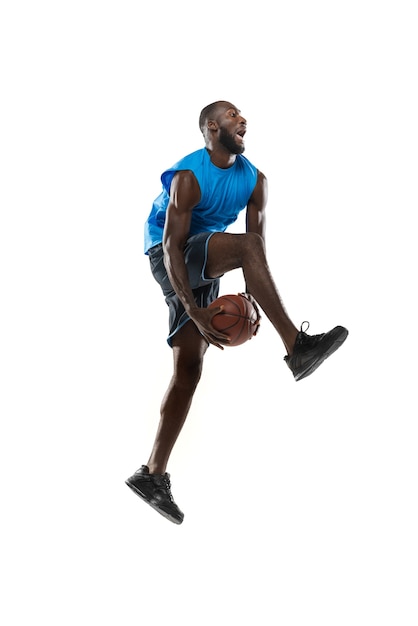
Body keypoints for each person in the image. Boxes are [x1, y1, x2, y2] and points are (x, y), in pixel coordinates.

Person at [126, 100, 348, 524]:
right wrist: (192, 308)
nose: (242, 119)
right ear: (211, 128)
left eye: (243, 116)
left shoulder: (254, 181)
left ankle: (151, 475)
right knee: (240, 249)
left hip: (204, 254)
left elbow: (255, 249)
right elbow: (173, 246)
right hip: (167, 253)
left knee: (189, 369)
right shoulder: (189, 176)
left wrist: (251, 301)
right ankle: (297, 348)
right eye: (232, 115)